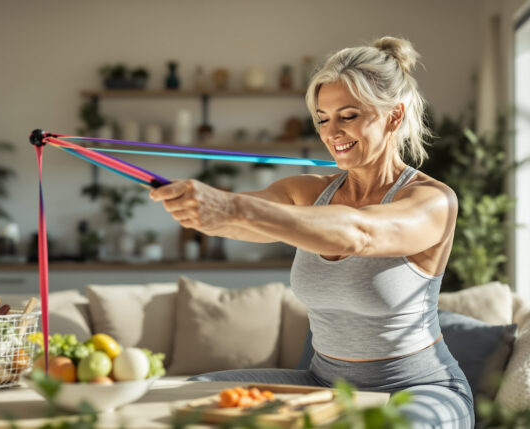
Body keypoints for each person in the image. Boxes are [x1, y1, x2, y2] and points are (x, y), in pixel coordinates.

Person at [149, 36, 474, 428]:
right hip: (324, 385)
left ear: (393, 116)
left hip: (420, 390)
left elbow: (359, 233)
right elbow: (242, 218)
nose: (331, 131)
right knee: (196, 393)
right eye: (322, 118)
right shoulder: (307, 192)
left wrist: (231, 208)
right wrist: (201, 210)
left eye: (348, 115)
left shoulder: (433, 201)